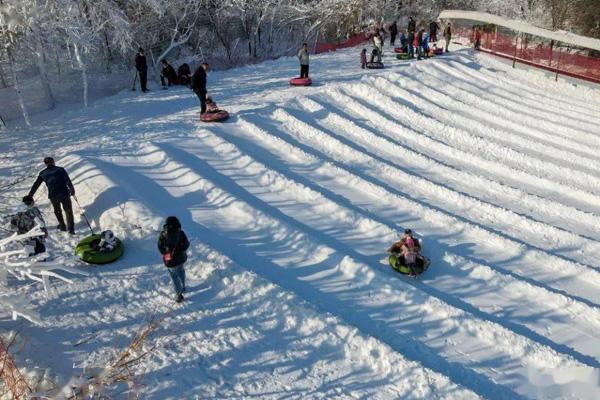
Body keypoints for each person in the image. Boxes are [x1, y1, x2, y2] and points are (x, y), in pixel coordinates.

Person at [28, 157, 75, 234]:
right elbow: (68, 181)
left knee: (57, 211)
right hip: (64, 193)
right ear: (53, 162)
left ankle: (62, 226)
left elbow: (36, 184)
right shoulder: (61, 169)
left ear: (45, 164)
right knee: (68, 211)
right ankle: (71, 229)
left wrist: (30, 195)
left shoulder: (43, 173)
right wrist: (72, 190)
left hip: (53, 195)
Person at [157, 216, 190, 303]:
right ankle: (183, 287)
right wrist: (180, 249)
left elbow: (160, 247)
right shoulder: (181, 233)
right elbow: (186, 244)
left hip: (170, 260)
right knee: (181, 271)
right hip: (181, 258)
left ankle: (179, 294)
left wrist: (166, 252)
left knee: (174, 276)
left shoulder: (163, 234)